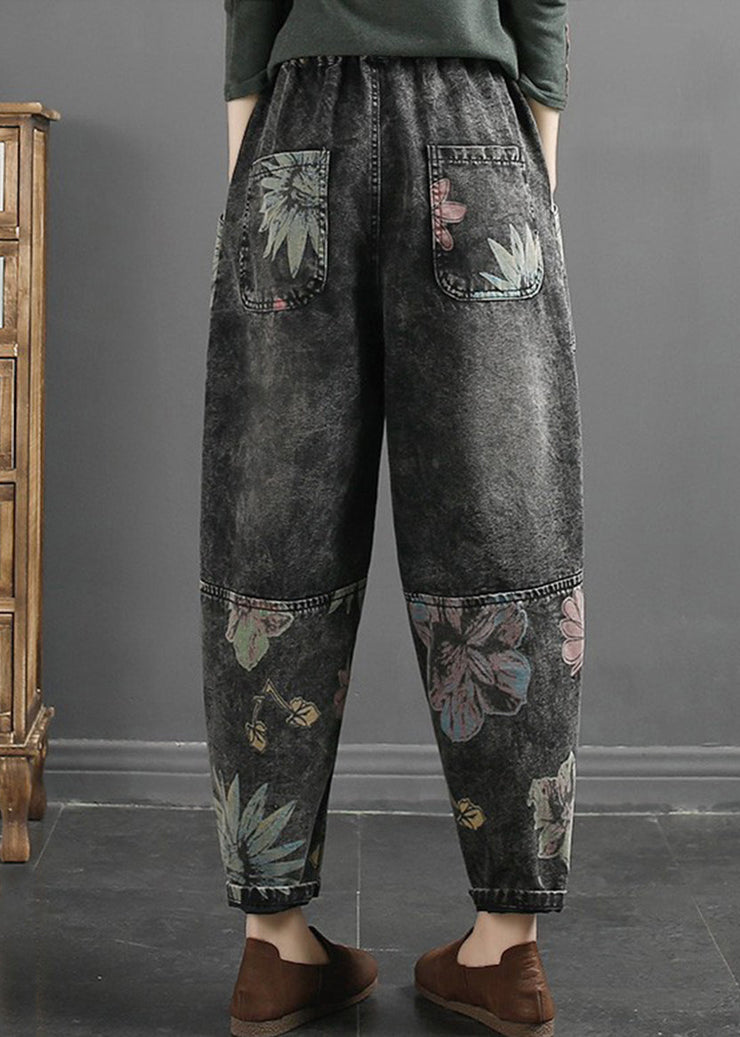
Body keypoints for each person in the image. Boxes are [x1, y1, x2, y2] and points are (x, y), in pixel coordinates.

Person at [200, 3, 584, 1035]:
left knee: (273, 526)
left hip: (295, 137)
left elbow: (249, 10)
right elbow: (540, 8)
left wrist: (249, 176)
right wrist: (536, 177)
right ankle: (505, 945)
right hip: (478, 130)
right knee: (501, 522)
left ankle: (274, 944)